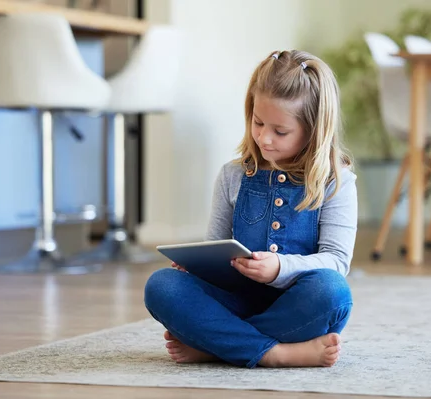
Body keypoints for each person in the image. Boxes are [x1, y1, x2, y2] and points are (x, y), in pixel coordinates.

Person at [144, 50, 357, 369]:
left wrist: (279, 268)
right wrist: (194, 265)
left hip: (297, 308)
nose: (264, 138)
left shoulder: (335, 182)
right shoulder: (233, 175)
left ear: (313, 131)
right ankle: (276, 353)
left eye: (280, 131)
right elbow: (214, 245)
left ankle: (218, 346)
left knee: (333, 292)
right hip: (234, 303)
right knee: (161, 286)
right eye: (258, 123)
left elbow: (337, 262)